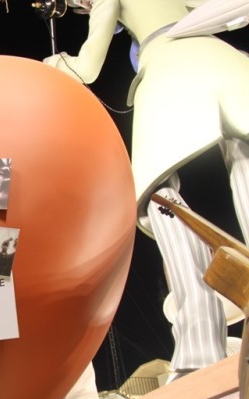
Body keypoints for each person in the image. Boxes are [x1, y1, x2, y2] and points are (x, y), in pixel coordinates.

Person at [43, 0, 249, 379]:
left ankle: (200, 346)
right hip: (222, 57)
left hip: (167, 71)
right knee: (243, 158)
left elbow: (86, 67)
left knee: (157, 196)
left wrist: (51, 66)